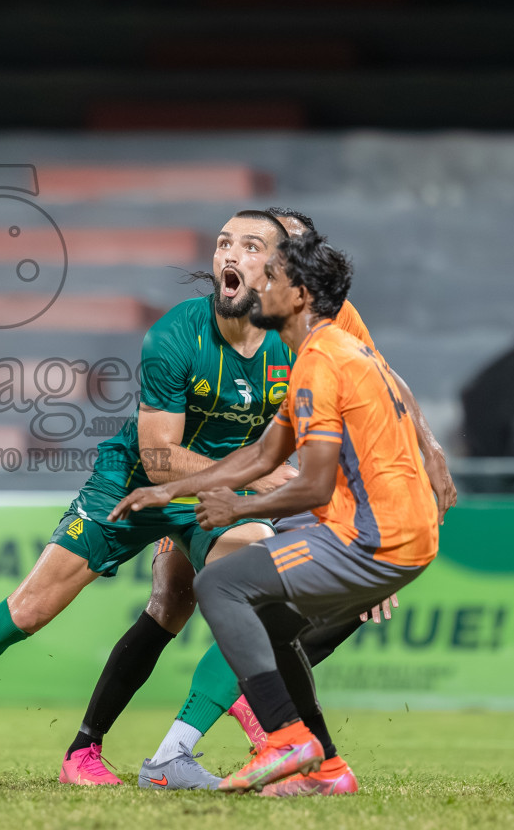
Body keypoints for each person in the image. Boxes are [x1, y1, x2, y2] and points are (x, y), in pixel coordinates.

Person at [0, 209, 303, 785]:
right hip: (134, 483)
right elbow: (160, 458)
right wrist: (256, 476)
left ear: (277, 268)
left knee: (260, 581)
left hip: (211, 494)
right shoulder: (176, 334)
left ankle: (170, 758)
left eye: (250, 246)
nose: (230, 254)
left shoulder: (295, 344)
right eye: (223, 243)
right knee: (28, 610)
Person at [75, 208, 455, 793]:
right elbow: (261, 458)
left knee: (223, 587)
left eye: (270, 275)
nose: (255, 283)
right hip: (393, 528)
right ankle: (326, 768)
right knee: (271, 624)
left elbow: (312, 485)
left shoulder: (322, 362)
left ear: (297, 294)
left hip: (378, 532)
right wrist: (166, 488)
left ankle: (282, 740)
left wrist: (239, 509)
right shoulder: (312, 353)